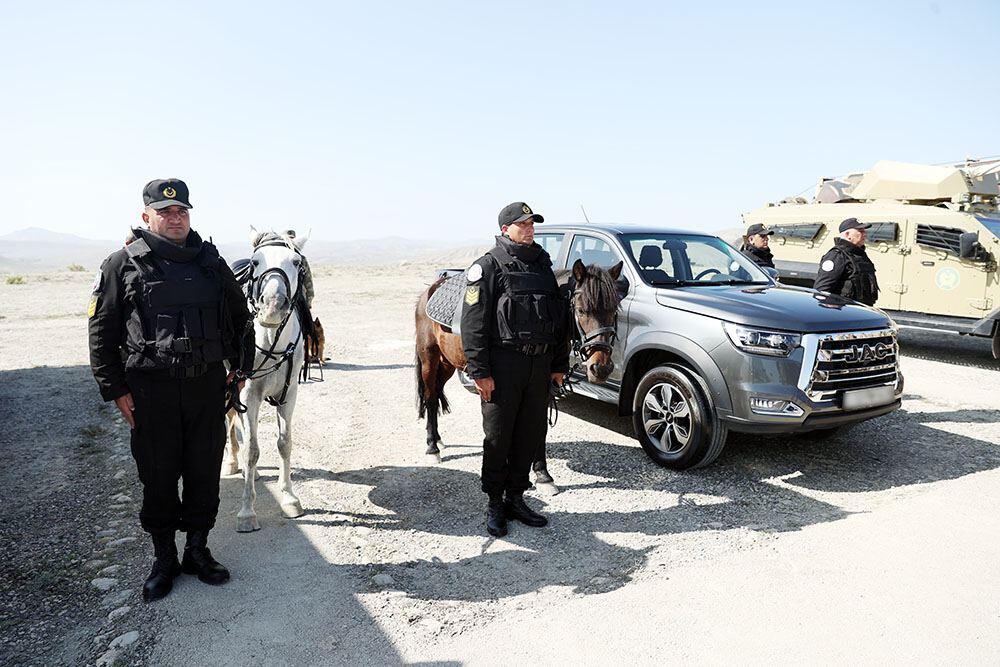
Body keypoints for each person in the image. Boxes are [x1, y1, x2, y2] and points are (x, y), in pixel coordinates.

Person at [88, 178, 254, 602]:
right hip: (150, 392)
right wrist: (115, 389)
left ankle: (197, 551)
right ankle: (164, 559)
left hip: (205, 388)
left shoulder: (210, 261)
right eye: (165, 212)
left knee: (204, 472)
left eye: (181, 211)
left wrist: (240, 369)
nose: (175, 218)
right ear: (146, 216)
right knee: (158, 477)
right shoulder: (121, 264)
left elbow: (241, 318)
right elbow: (101, 331)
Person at [461, 202, 569, 537]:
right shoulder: (487, 266)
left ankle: (516, 498)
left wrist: (558, 365)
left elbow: (558, 319)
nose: (530, 228)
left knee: (529, 434)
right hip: (503, 366)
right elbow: (473, 324)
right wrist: (480, 372)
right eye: (523, 224)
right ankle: (495, 502)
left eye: (532, 223)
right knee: (498, 437)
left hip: (539, 366)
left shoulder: (542, 265)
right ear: (506, 229)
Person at [813, 217, 879, 306]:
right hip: (845, 310)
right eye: (861, 231)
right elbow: (822, 289)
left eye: (864, 231)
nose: (865, 234)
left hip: (862, 309)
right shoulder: (837, 256)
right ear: (848, 235)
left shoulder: (859, 254)